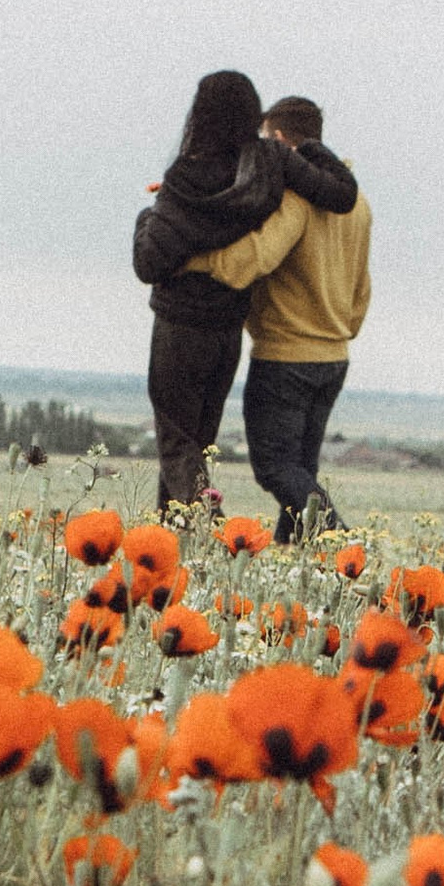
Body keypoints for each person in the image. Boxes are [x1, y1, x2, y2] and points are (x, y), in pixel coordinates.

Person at [130, 74, 358, 515]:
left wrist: (147, 216)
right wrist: (307, 146)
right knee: (198, 443)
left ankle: (209, 525)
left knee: (177, 441)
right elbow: (342, 194)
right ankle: (172, 536)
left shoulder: (185, 178)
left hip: (179, 326)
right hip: (228, 327)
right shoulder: (272, 162)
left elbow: (148, 264)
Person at [186, 93, 372, 541]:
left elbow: (256, 258)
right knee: (300, 471)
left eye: (265, 139)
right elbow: (362, 286)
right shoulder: (358, 203)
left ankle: (341, 546)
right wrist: (339, 330)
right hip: (334, 356)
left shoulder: (297, 198)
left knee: (273, 468)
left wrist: (192, 258)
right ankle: (297, 558)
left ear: (283, 141)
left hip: (286, 356)